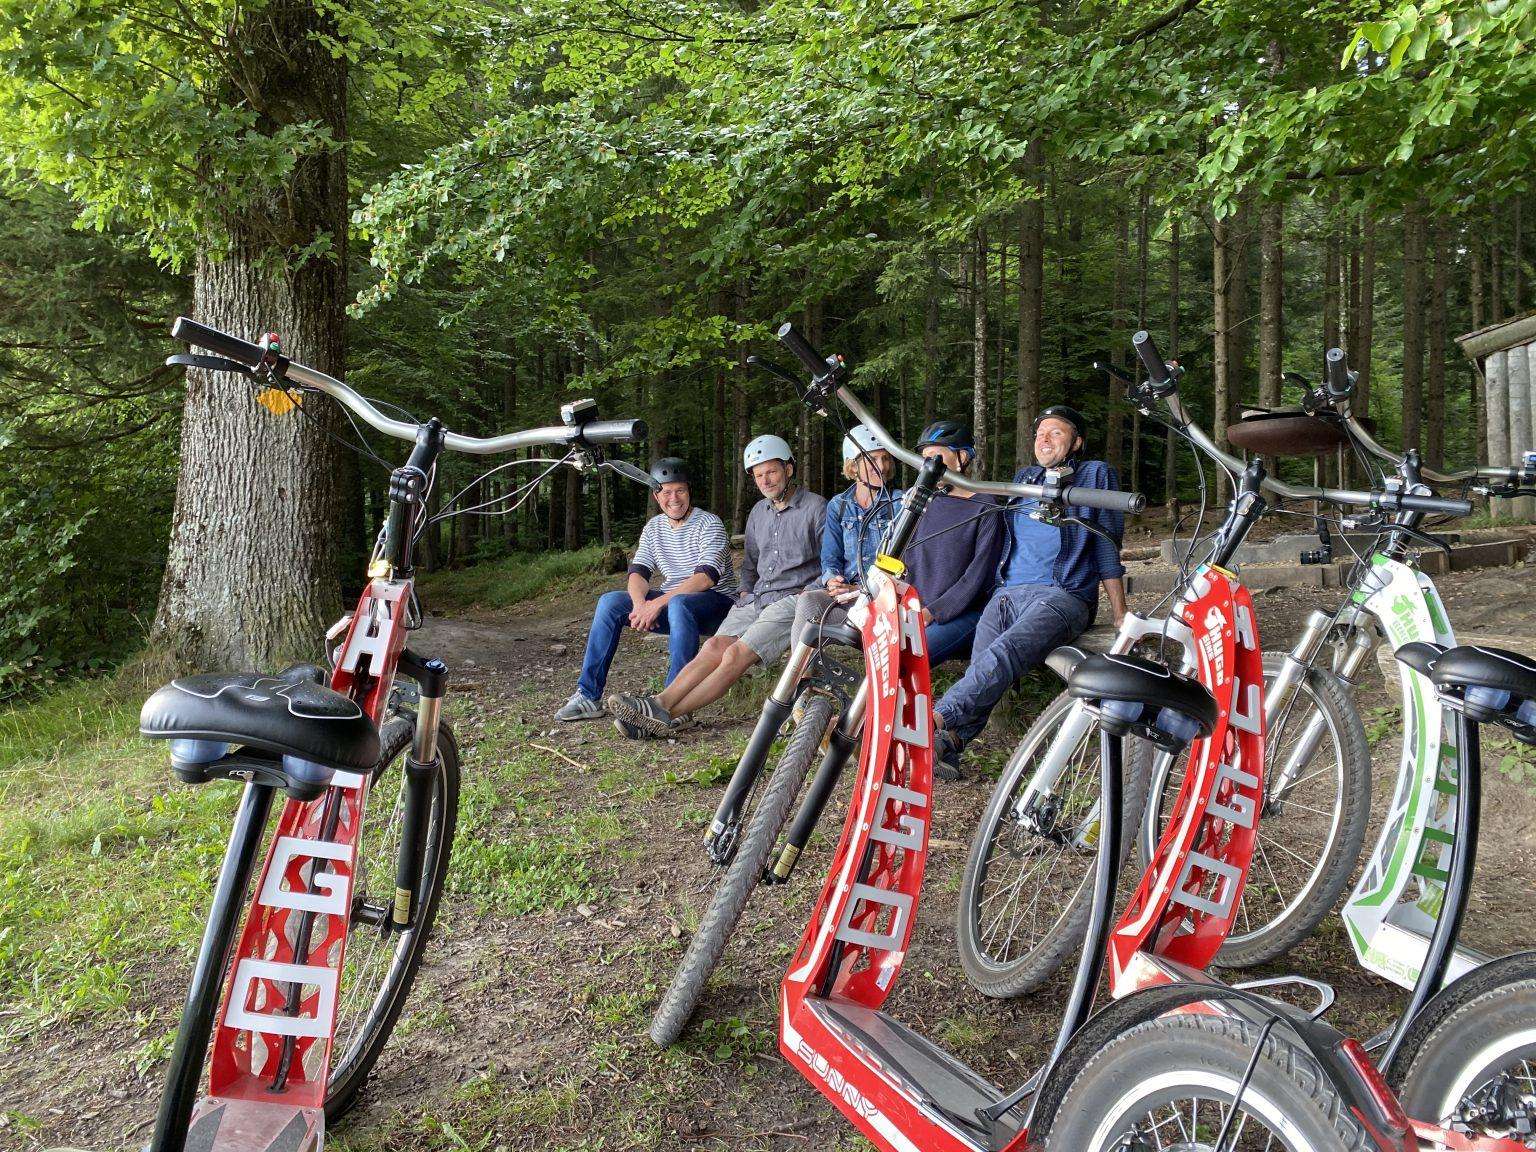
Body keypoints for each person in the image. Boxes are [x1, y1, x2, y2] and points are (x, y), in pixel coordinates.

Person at [932, 403, 1129, 775]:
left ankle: (934, 722)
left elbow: (1106, 546)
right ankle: (950, 744)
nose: (1045, 439)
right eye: (1040, 433)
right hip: (1006, 593)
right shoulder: (1025, 477)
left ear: (1077, 442)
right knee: (983, 664)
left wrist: (1120, 614)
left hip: (1062, 595)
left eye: (1056, 432)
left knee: (1002, 653)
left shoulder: (1094, 474)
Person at [608, 435, 826, 738]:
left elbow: (831, 563)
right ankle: (658, 708)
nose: (765, 480)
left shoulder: (816, 508)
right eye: (758, 475)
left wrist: (809, 593)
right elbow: (750, 563)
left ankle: (663, 712)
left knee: (735, 655)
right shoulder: (758, 512)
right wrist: (746, 590)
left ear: (788, 469)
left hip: (793, 599)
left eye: (772, 472)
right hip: (756, 598)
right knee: (712, 647)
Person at [554, 458, 737, 722]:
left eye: (680, 490)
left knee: (679, 603)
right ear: (656, 496)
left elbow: (705, 578)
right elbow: (638, 573)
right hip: (674, 606)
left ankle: (675, 703)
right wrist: (640, 605)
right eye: (667, 492)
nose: (674, 498)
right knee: (610, 602)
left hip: (717, 605)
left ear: (689, 491)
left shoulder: (709, 523)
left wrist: (656, 604)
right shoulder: (654, 528)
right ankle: (588, 695)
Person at [902, 420, 1005, 666]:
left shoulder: (986, 506)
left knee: (910, 658)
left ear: (962, 457)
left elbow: (977, 578)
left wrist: (930, 613)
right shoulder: (925, 502)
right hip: (915, 607)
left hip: (962, 613)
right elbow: (905, 559)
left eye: (936, 457)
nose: (929, 465)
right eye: (925, 459)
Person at [788, 424, 904, 643]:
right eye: (872, 459)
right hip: (847, 596)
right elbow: (830, 557)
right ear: (853, 465)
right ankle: (803, 666)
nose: (882, 466)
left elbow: (903, 567)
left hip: (882, 599)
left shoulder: (900, 503)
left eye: (886, 458)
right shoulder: (839, 505)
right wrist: (833, 580)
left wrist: (860, 589)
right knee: (807, 600)